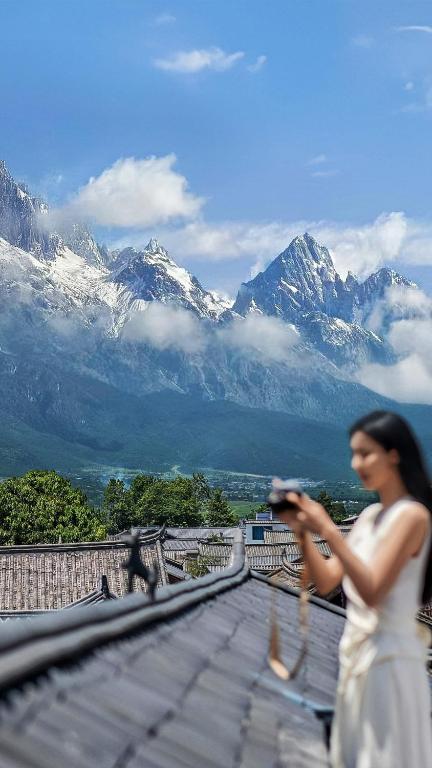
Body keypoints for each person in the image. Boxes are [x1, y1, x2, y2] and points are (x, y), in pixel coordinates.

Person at [279, 410, 432, 768]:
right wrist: (302, 532)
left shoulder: (413, 516)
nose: (355, 463)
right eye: (353, 454)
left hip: (389, 660)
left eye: (365, 453)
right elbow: (328, 580)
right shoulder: (369, 516)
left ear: (393, 455)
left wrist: (328, 530)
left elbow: (373, 590)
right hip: (356, 655)